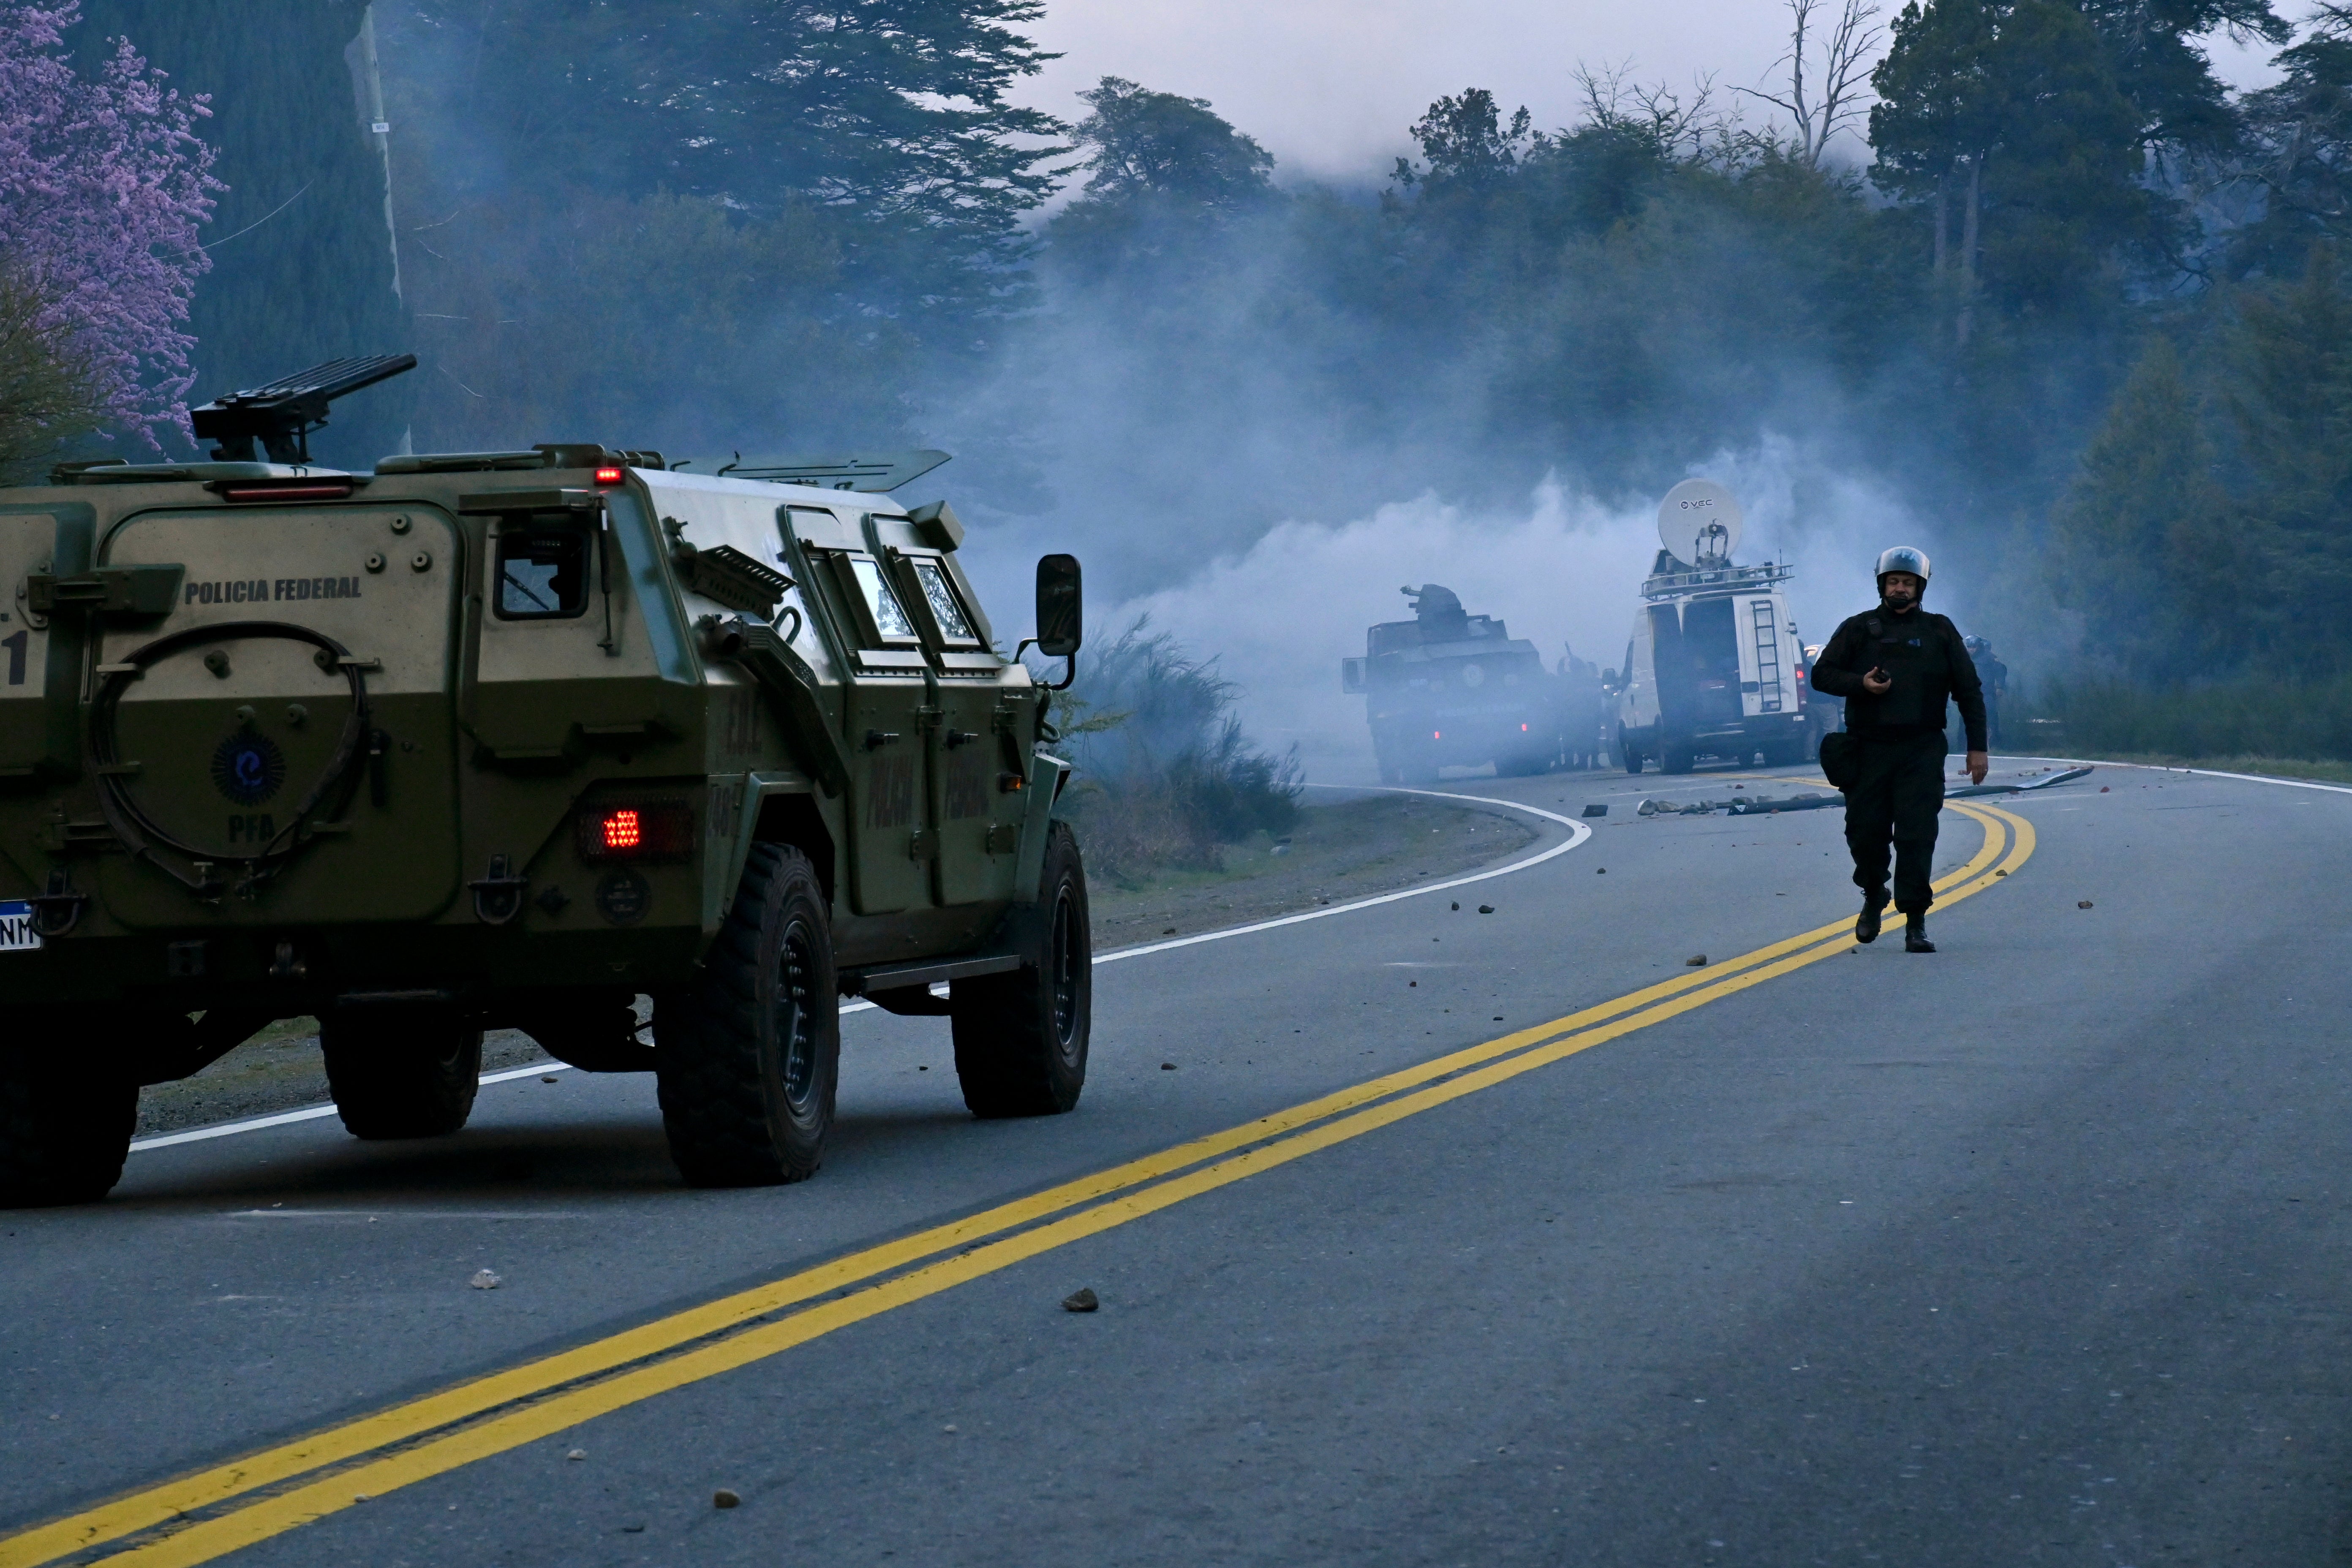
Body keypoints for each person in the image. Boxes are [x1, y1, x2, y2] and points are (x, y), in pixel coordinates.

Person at [1808, 547, 1987, 954]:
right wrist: (1861, 684)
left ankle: (1916, 922)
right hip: (1868, 748)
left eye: (1908, 582)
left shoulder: (1940, 631)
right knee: (1865, 835)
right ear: (1882, 586)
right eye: (1894, 582)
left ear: (1920, 587)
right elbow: (1821, 675)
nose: (1900, 589)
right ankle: (1874, 894)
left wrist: (1977, 748)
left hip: (1921, 749)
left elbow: (1969, 691)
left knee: (1917, 835)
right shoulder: (1857, 629)